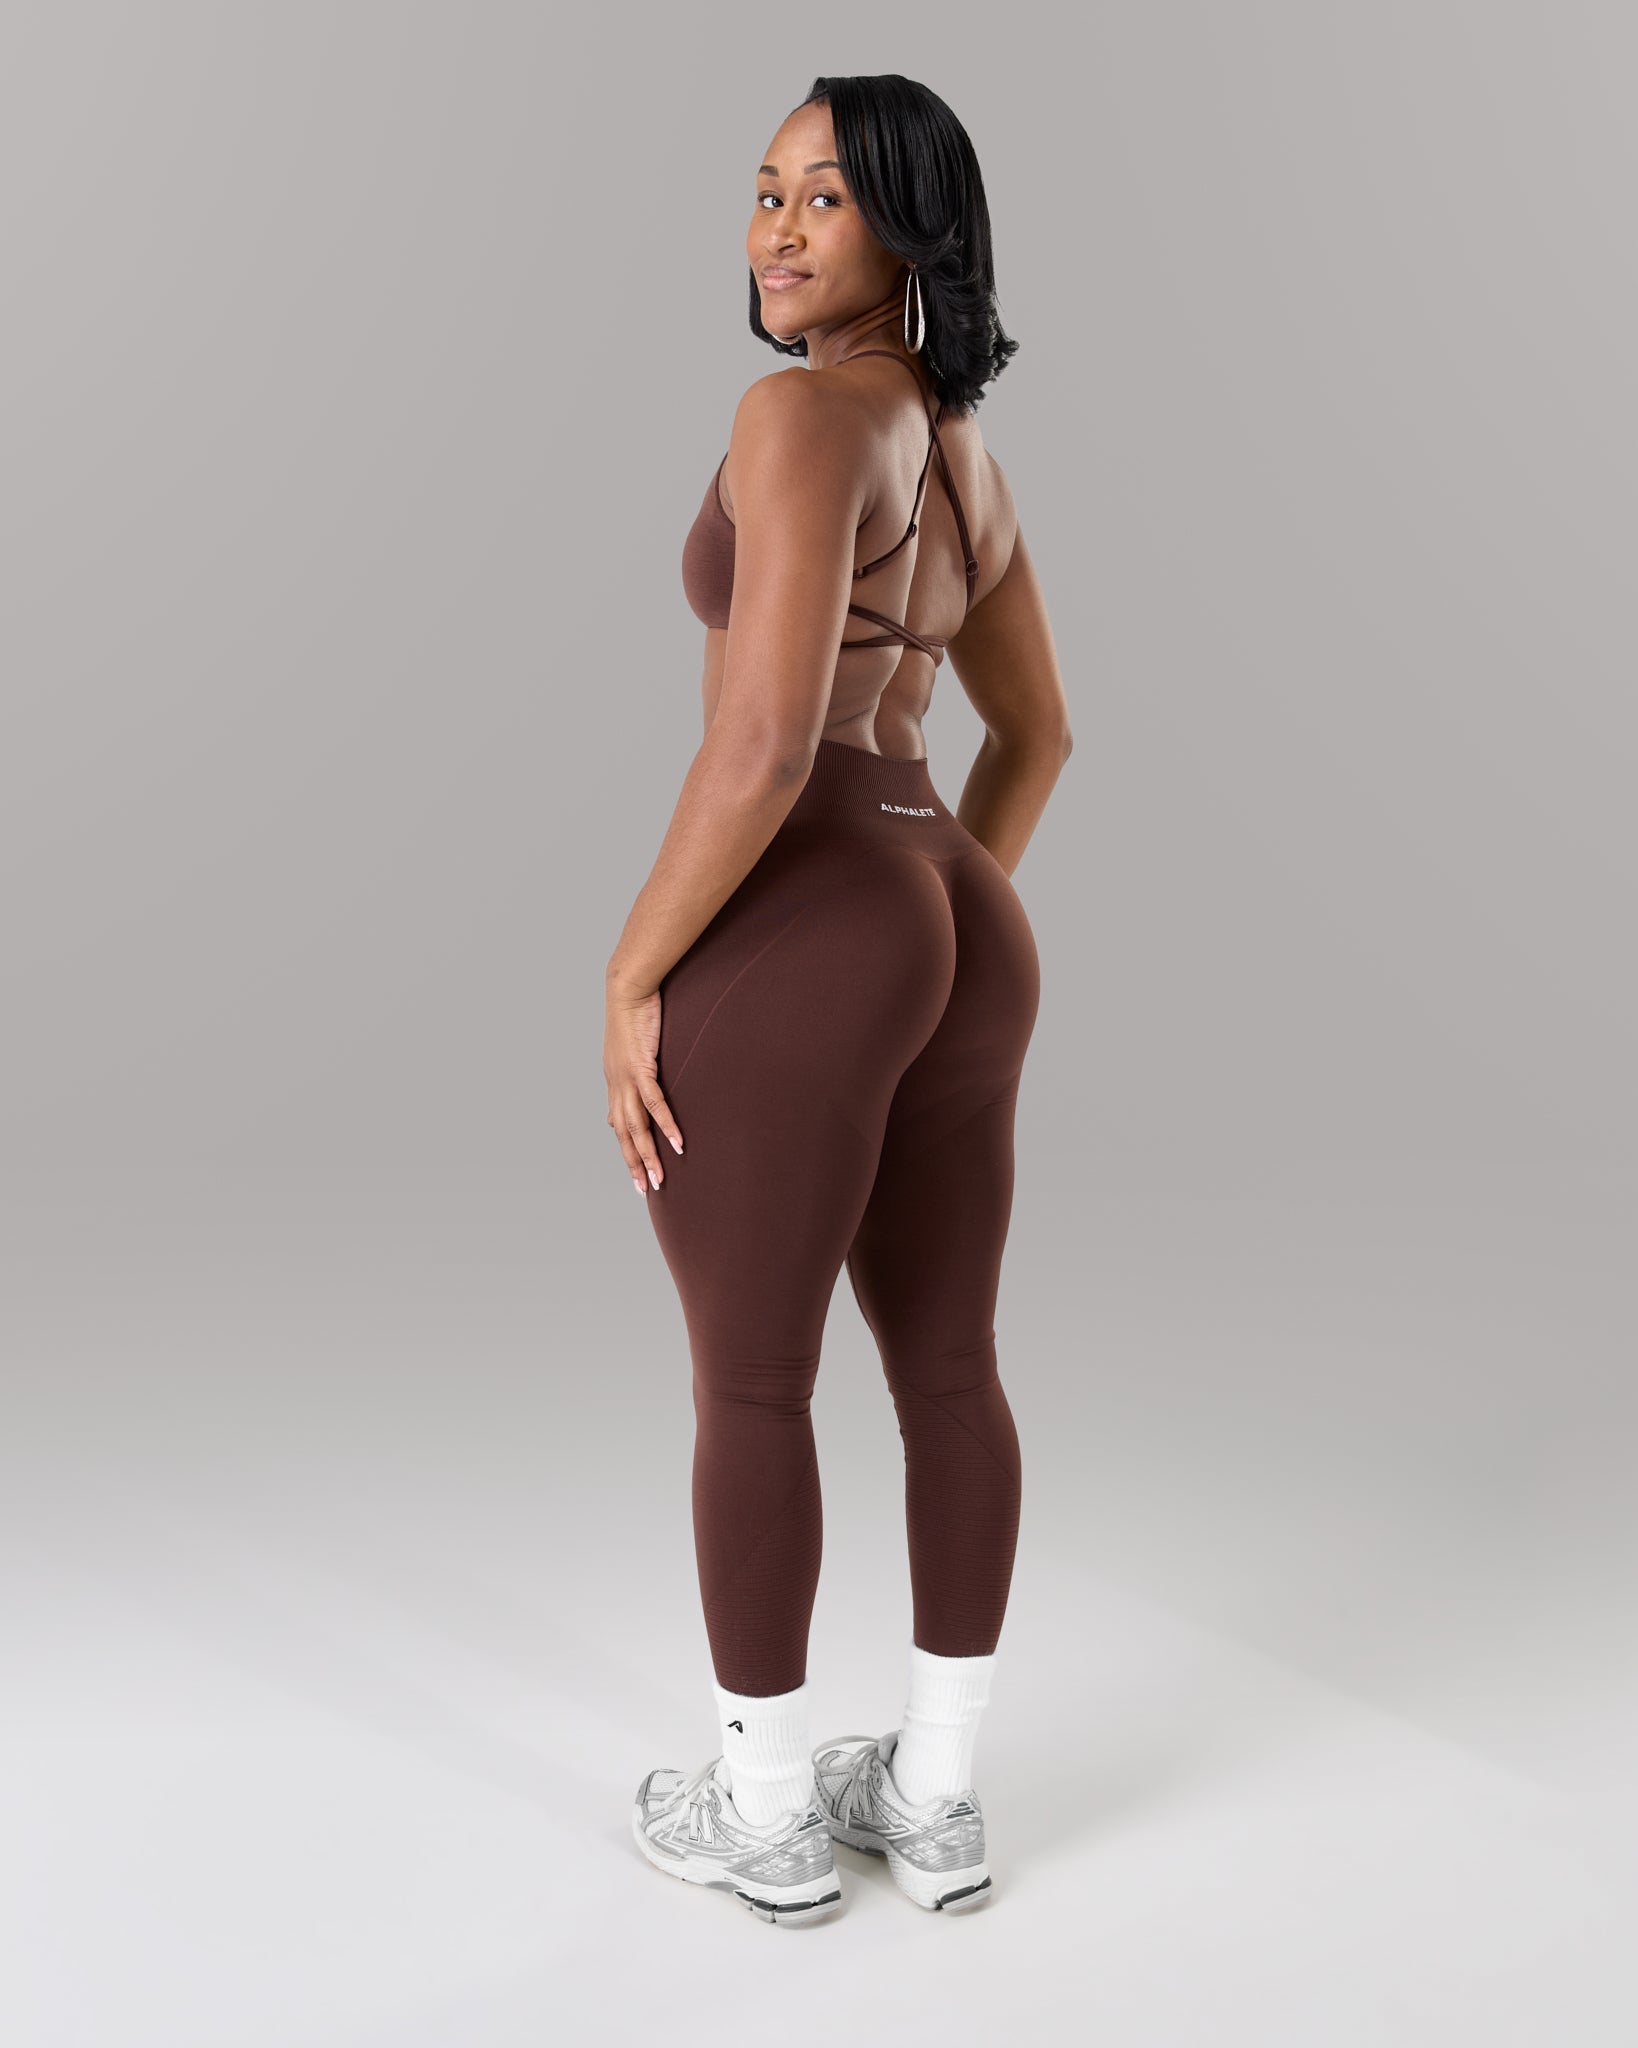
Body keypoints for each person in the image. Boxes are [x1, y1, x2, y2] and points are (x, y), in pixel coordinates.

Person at [604, 73, 1071, 1923]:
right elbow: (1036, 735)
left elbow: (764, 745)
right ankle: (934, 1803)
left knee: (753, 1378)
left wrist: (632, 971)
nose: (776, 228)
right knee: (947, 1369)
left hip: (814, 909)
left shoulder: (797, 419)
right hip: (957, 908)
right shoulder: (962, 456)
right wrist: (932, 928)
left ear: (911, 228)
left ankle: (767, 1811)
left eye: (825, 196)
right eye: (764, 190)